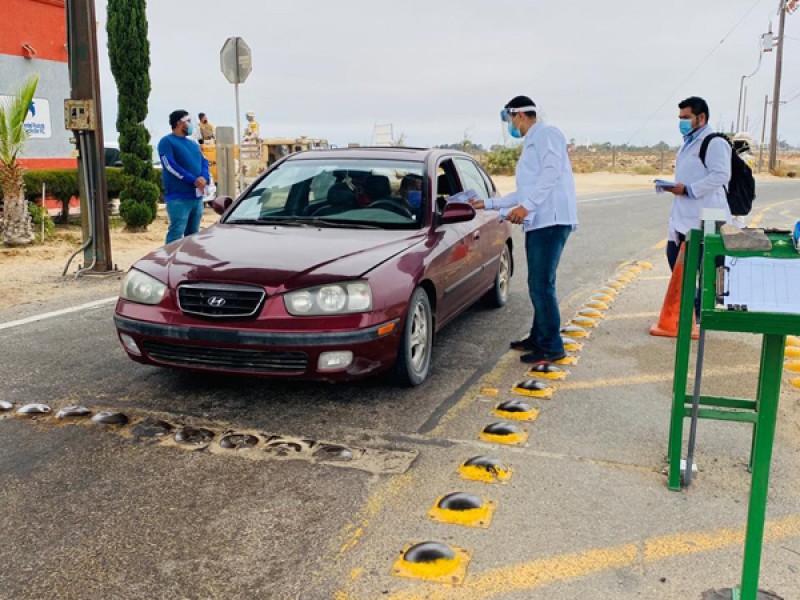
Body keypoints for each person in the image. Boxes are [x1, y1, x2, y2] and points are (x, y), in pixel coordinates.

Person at [470, 95, 578, 364]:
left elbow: (552, 172)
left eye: (508, 119)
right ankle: (538, 336)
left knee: (541, 285)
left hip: (550, 220)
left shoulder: (547, 134)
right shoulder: (533, 141)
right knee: (538, 283)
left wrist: (527, 207)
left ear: (518, 114)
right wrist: (490, 203)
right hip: (541, 220)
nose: (509, 125)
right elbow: (525, 190)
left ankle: (552, 346)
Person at [662, 96, 731, 271]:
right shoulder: (688, 143)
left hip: (705, 223)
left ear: (701, 118)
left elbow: (722, 175)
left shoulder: (714, 142)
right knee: (679, 273)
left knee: (702, 279)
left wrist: (689, 190)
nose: (682, 123)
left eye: (686, 118)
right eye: (680, 119)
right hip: (681, 223)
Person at [158, 109, 210, 244]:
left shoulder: (193, 144)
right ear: (179, 123)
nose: (191, 124)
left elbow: (204, 161)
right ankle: (170, 262)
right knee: (176, 234)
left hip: (196, 198)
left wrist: (204, 178)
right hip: (178, 198)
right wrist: (193, 180)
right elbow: (169, 165)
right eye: (188, 121)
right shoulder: (167, 141)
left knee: (193, 236)